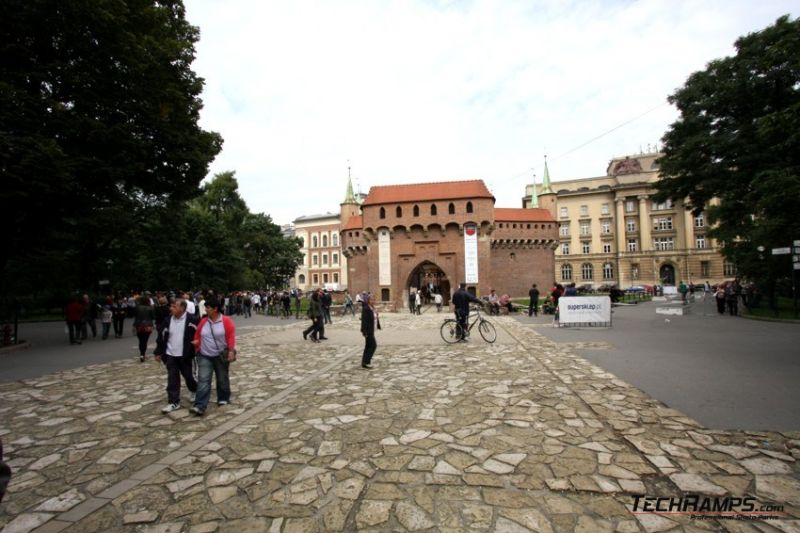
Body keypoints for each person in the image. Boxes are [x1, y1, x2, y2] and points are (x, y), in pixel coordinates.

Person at [191, 297, 236, 415]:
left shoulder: (226, 321)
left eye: (208, 307)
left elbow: (230, 336)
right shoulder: (203, 321)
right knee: (204, 380)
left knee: (222, 378)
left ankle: (223, 397)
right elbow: (197, 334)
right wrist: (196, 342)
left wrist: (231, 351)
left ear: (215, 309)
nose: (206, 309)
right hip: (204, 354)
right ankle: (200, 405)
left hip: (220, 355)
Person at [154, 299, 199, 413]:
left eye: (174, 306)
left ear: (182, 308)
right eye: (171, 306)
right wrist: (158, 352)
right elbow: (161, 337)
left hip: (185, 355)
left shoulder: (192, 320)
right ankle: (173, 402)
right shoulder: (167, 320)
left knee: (189, 376)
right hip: (171, 354)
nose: (171, 308)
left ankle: (194, 390)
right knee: (172, 379)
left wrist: (197, 344)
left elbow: (199, 334)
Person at [360, 293, 381, 369]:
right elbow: (364, 321)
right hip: (368, 330)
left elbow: (375, 317)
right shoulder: (366, 308)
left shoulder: (372, 308)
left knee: (368, 346)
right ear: (368, 300)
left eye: (374, 299)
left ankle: (364, 361)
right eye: (371, 299)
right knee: (373, 345)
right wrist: (364, 332)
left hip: (372, 330)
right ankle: (366, 362)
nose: (373, 301)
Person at [133, 295, 155, 362]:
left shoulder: (137, 307)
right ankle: (143, 354)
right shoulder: (150, 308)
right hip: (147, 325)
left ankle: (142, 354)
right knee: (145, 341)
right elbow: (153, 317)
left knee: (140, 340)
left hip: (138, 325)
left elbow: (134, 315)